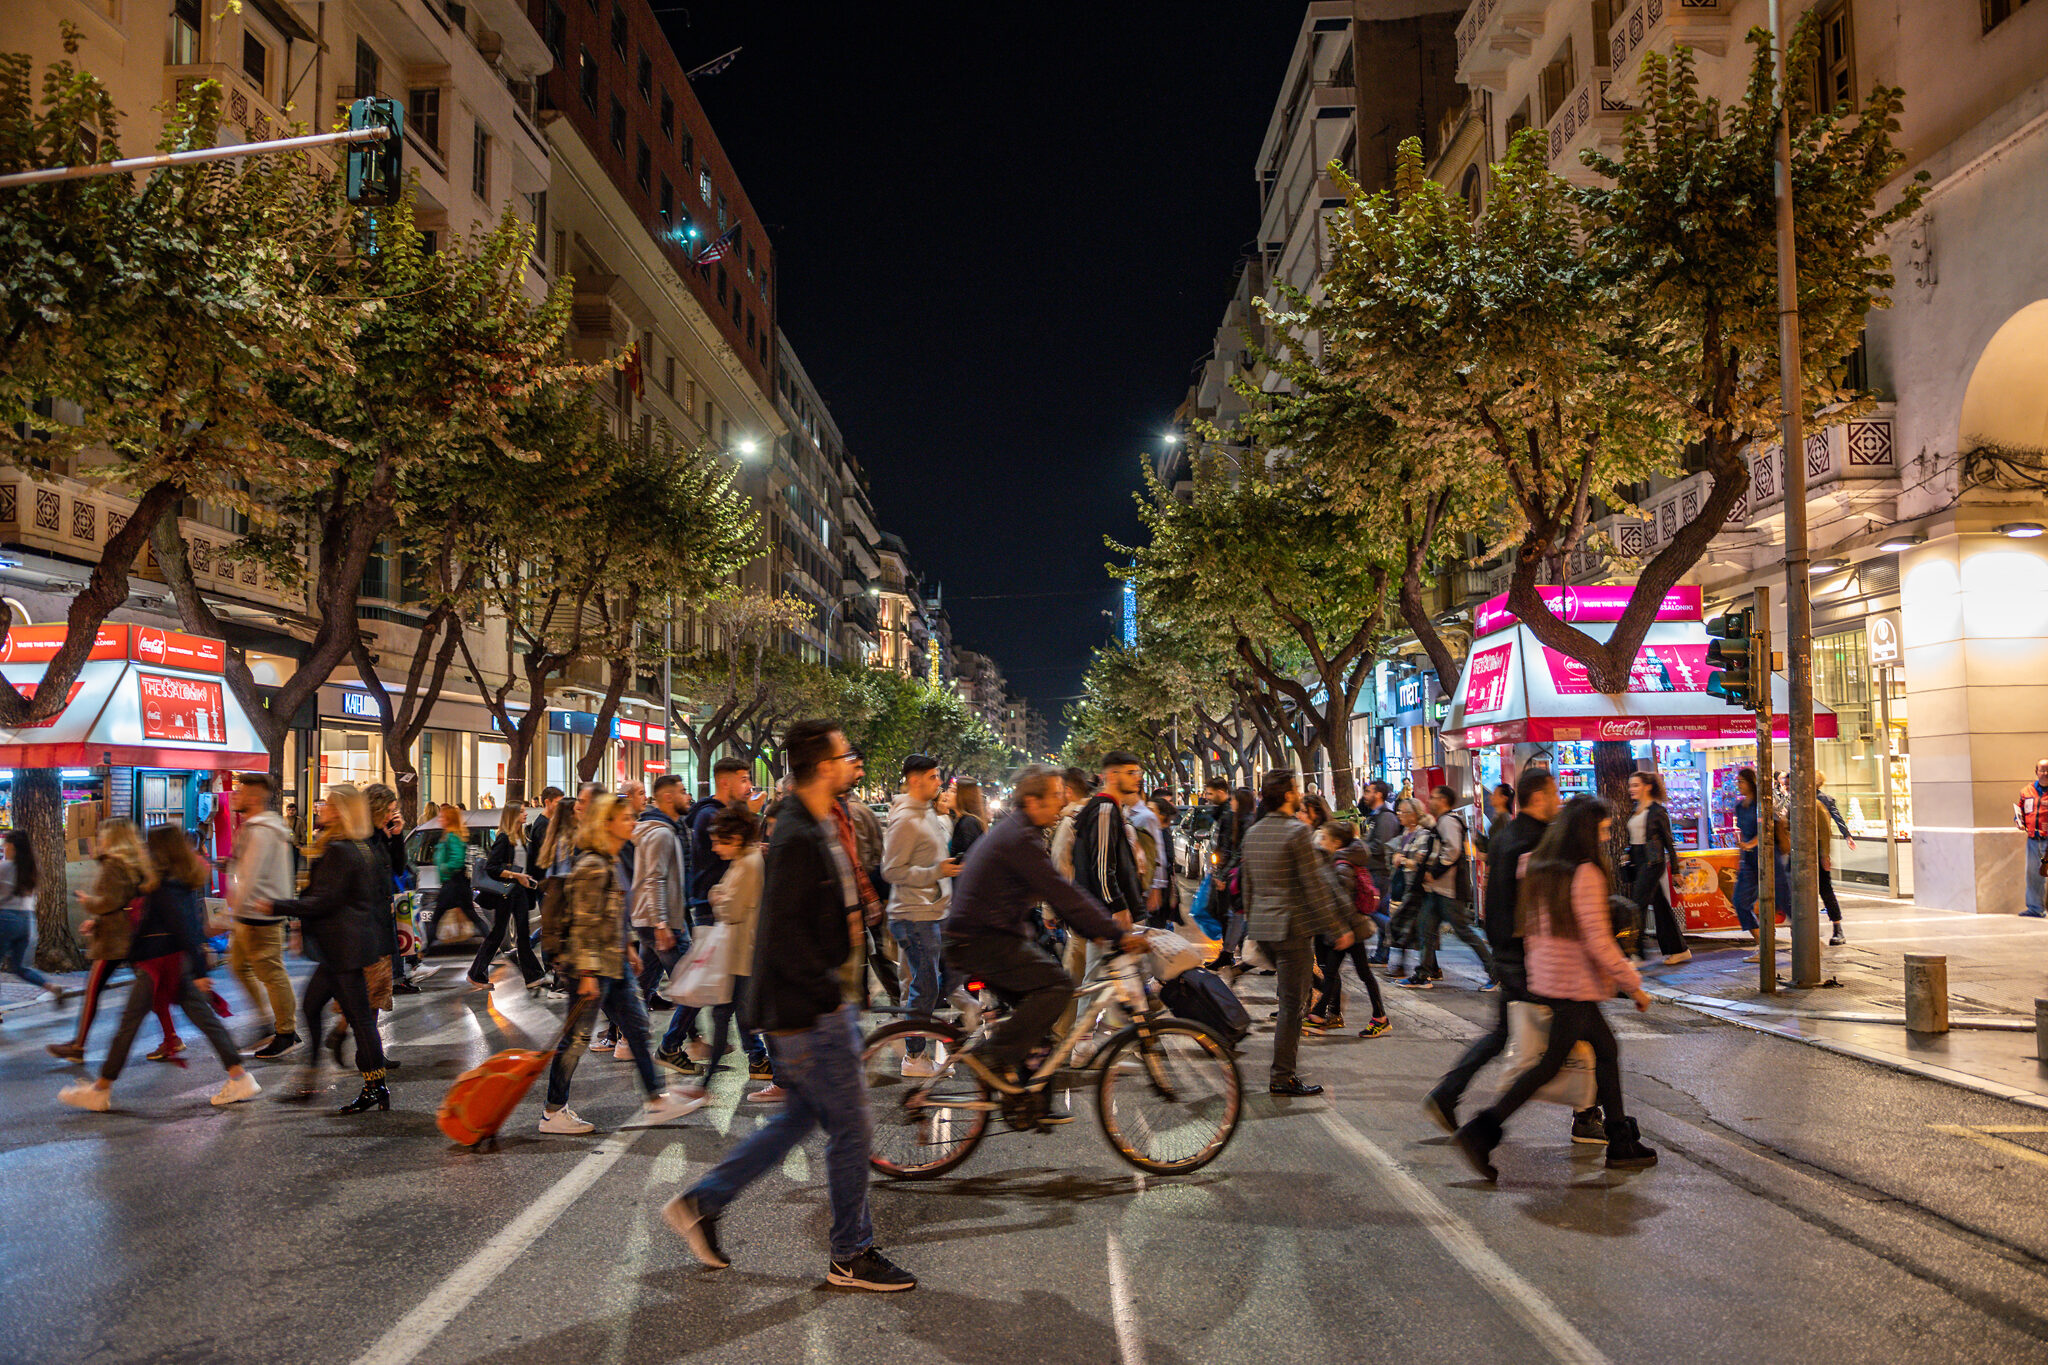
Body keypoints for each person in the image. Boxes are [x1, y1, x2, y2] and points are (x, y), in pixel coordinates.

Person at [664, 719, 917, 1292]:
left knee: (798, 1119)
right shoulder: (800, 833)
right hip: (810, 1009)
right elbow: (785, 934)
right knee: (852, 1129)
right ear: (823, 765)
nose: (853, 760)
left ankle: (703, 1202)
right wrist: (832, 995)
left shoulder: (818, 821)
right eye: (845, 753)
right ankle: (850, 1253)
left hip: (812, 1004)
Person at [1452, 796, 1659, 1180]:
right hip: (1573, 982)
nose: (1605, 836)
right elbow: (1598, 940)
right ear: (1584, 832)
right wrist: (1634, 986)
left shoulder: (1540, 868)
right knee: (1552, 1065)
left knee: (1601, 1051)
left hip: (1550, 977)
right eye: (1600, 830)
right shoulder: (1584, 875)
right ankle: (1483, 1130)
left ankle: (1619, 1139)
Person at [942, 764, 1148, 1093]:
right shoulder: (1021, 838)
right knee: (1057, 986)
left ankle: (1024, 1092)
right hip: (982, 940)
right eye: (1054, 797)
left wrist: (1093, 926)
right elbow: (1062, 892)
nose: (1061, 802)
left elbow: (1058, 895)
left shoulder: (1019, 831)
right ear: (1033, 802)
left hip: (983, 936)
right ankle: (992, 1056)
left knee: (1036, 1009)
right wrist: (1116, 932)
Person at [1425, 769, 1606, 1142]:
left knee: (1507, 1033)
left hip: (1508, 952)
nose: (1558, 801)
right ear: (1538, 797)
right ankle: (1583, 1116)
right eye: (1554, 794)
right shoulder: (1541, 841)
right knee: (1578, 1034)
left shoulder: (1505, 834)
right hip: (1534, 958)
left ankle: (1448, 1093)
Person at [59, 825, 259, 1112]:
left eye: (148, 844)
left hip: (160, 964)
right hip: (168, 962)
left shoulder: (166, 886)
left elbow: (185, 928)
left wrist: (201, 971)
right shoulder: (173, 882)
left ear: (159, 850)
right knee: (203, 1019)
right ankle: (238, 1075)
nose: (144, 848)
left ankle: (101, 1089)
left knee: (128, 1025)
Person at [538, 794, 702, 1135]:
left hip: (613, 963)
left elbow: (610, 915)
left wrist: (627, 947)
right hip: (592, 969)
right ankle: (553, 1111)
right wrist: (586, 975)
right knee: (577, 1040)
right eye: (626, 817)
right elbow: (584, 925)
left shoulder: (609, 859)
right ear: (607, 823)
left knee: (639, 1028)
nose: (633, 822)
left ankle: (656, 1100)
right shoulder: (592, 867)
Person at [254, 785, 395, 1115]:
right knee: (314, 1006)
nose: (321, 808)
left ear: (341, 811)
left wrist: (275, 906)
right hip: (344, 947)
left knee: (360, 1019)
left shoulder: (342, 850)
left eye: (328, 805)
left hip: (344, 948)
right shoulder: (359, 847)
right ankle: (312, 1076)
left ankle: (374, 1085)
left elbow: (324, 901)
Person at [1240, 770, 1356, 1097]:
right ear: (1288, 795)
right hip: (1291, 929)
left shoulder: (1253, 832)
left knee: (1290, 997)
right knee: (1293, 1006)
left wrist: (1254, 921)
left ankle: (1283, 1070)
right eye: (1295, 789)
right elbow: (1315, 886)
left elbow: (1247, 888)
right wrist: (1336, 928)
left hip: (1264, 927)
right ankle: (1282, 1076)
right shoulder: (1297, 833)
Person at [668, 805, 769, 1105]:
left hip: (742, 953)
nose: (713, 847)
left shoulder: (749, 864)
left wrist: (718, 897)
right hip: (736, 951)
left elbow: (729, 908)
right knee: (728, 1016)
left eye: (718, 841)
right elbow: (721, 898)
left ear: (736, 838)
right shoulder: (744, 860)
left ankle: (709, 1085)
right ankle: (709, 1084)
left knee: (730, 1016)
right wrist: (719, 896)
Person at [47, 820, 154, 1064]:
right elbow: (124, 901)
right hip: (130, 935)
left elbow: (110, 901)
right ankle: (171, 1037)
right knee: (152, 988)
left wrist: (89, 902)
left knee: (93, 991)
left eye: (103, 834)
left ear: (113, 838)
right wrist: (95, 921)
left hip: (113, 940)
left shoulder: (113, 865)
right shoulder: (134, 864)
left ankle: (78, 1046)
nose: (99, 838)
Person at [881, 754, 960, 1076]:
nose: (939, 782)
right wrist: (934, 873)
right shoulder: (905, 820)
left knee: (934, 984)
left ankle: (920, 1049)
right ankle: (914, 1058)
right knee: (924, 987)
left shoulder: (927, 813)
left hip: (930, 912)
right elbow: (891, 870)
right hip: (913, 916)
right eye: (933, 777)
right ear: (914, 780)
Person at [225, 774, 301, 1057]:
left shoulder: (260, 830)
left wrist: (228, 913)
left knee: (271, 973)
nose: (235, 794)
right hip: (252, 912)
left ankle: (286, 1032)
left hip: (259, 913)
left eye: (240, 791)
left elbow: (252, 876)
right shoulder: (259, 827)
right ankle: (268, 1023)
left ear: (254, 798)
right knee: (239, 966)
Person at [1400, 785, 1496, 991]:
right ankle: (1424, 973)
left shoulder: (1448, 822)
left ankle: (1495, 973)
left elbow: (1451, 851)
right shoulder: (1442, 822)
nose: (1429, 801)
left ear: (1443, 801)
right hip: (1436, 889)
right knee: (1426, 929)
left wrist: (1432, 872)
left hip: (1448, 890)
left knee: (1464, 932)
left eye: (1433, 797)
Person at [1308, 819, 1390, 1038]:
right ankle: (1378, 1017)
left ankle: (1318, 1016)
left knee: (1337, 974)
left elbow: (1343, 902)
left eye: (1324, 838)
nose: (1321, 842)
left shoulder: (1342, 866)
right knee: (1357, 973)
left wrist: (1343, 932)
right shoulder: (1341, 861)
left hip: (1350, 929)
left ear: (1336, 842)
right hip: (1351, 928)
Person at [466, 803, 545, 990]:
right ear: (512, 816)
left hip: (518, 891)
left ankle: (533, 976)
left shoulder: (520, 838)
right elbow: (492, 868)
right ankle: (476, 973)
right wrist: (516, 875)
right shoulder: (504, 838)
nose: (526, 814)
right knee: (499, 933)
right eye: (522, 812)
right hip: (507, 892)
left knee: (522, 933)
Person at [628, 775, 692, 1010]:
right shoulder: (661, 833)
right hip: (658, 923)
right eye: (683, 791)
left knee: (643, 987)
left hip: (653, 921)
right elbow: (654, 880)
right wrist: (662, 924)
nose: (687, 797)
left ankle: (626, 1039)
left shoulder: (666, 830)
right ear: (668, 797)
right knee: (691, 987)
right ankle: (671, 1044)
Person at [1625, 772, 1690, 967]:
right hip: (1639, 862)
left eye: (1635, 785)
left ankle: (1635, 954)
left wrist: (1676, 871)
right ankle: (1680, 950)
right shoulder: (1636, 810)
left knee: (1637, 906)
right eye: (1631, 785)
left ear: (1648, 786)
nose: (1631, 789)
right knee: (1660, 907)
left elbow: (1669, 843)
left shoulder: (1657, 812)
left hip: (1652, 862)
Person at [0, 830, 68, 1012]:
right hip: (27, 922)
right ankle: (52, 987)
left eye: (5, 844)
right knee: (19, 966)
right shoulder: (31, 870)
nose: (3, 847)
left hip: (5, 919)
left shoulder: (5, 867)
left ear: (12, 846)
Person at [365, 784, 415, 993]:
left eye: (393, 811)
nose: (389, 815)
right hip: (367, 919)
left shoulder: (380, 836)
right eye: (388, 810)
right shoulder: (363, 837)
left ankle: (398, 976)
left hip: (381, 913)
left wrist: (396, 836)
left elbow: (398, 866)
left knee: (374, 993)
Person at [420, 804, 486, 954]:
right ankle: (491, 943)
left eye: (443, 817)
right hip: (455, 884)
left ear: (449, 819)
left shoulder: (452, 837)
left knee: (437, 917)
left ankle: (424, 952)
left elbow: (457, 860)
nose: (440, 819)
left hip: (453, 884)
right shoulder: (451, 835)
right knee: (471, 916)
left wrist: (443, 866)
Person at [1359, 780, 1402, 963]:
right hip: (1375, 870)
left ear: (1378, 794)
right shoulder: (1376, 816)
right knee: (1377, 909)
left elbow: (1381, 846)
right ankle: (1382, 953)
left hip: (1380, 871)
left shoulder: (1385, 817)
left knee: (1371, 908)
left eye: (1368, 792)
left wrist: (1362, 848)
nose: (1365, 795)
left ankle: (1394, 932)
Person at [1816, 770, 1852, 943]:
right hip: (1808, 852)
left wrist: (1825, 855)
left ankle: (1838, 927)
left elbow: (1825, 830)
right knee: (1824, 890)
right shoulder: (1796, 801)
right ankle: (1836, 928)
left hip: (1815, 850)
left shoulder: (1818, 802)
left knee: (1825, 889)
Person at [949, 779, 988, 860]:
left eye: (953, 791)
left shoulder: (968, 823)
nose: (947, 794)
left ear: (965, 797)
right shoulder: (963, 820)